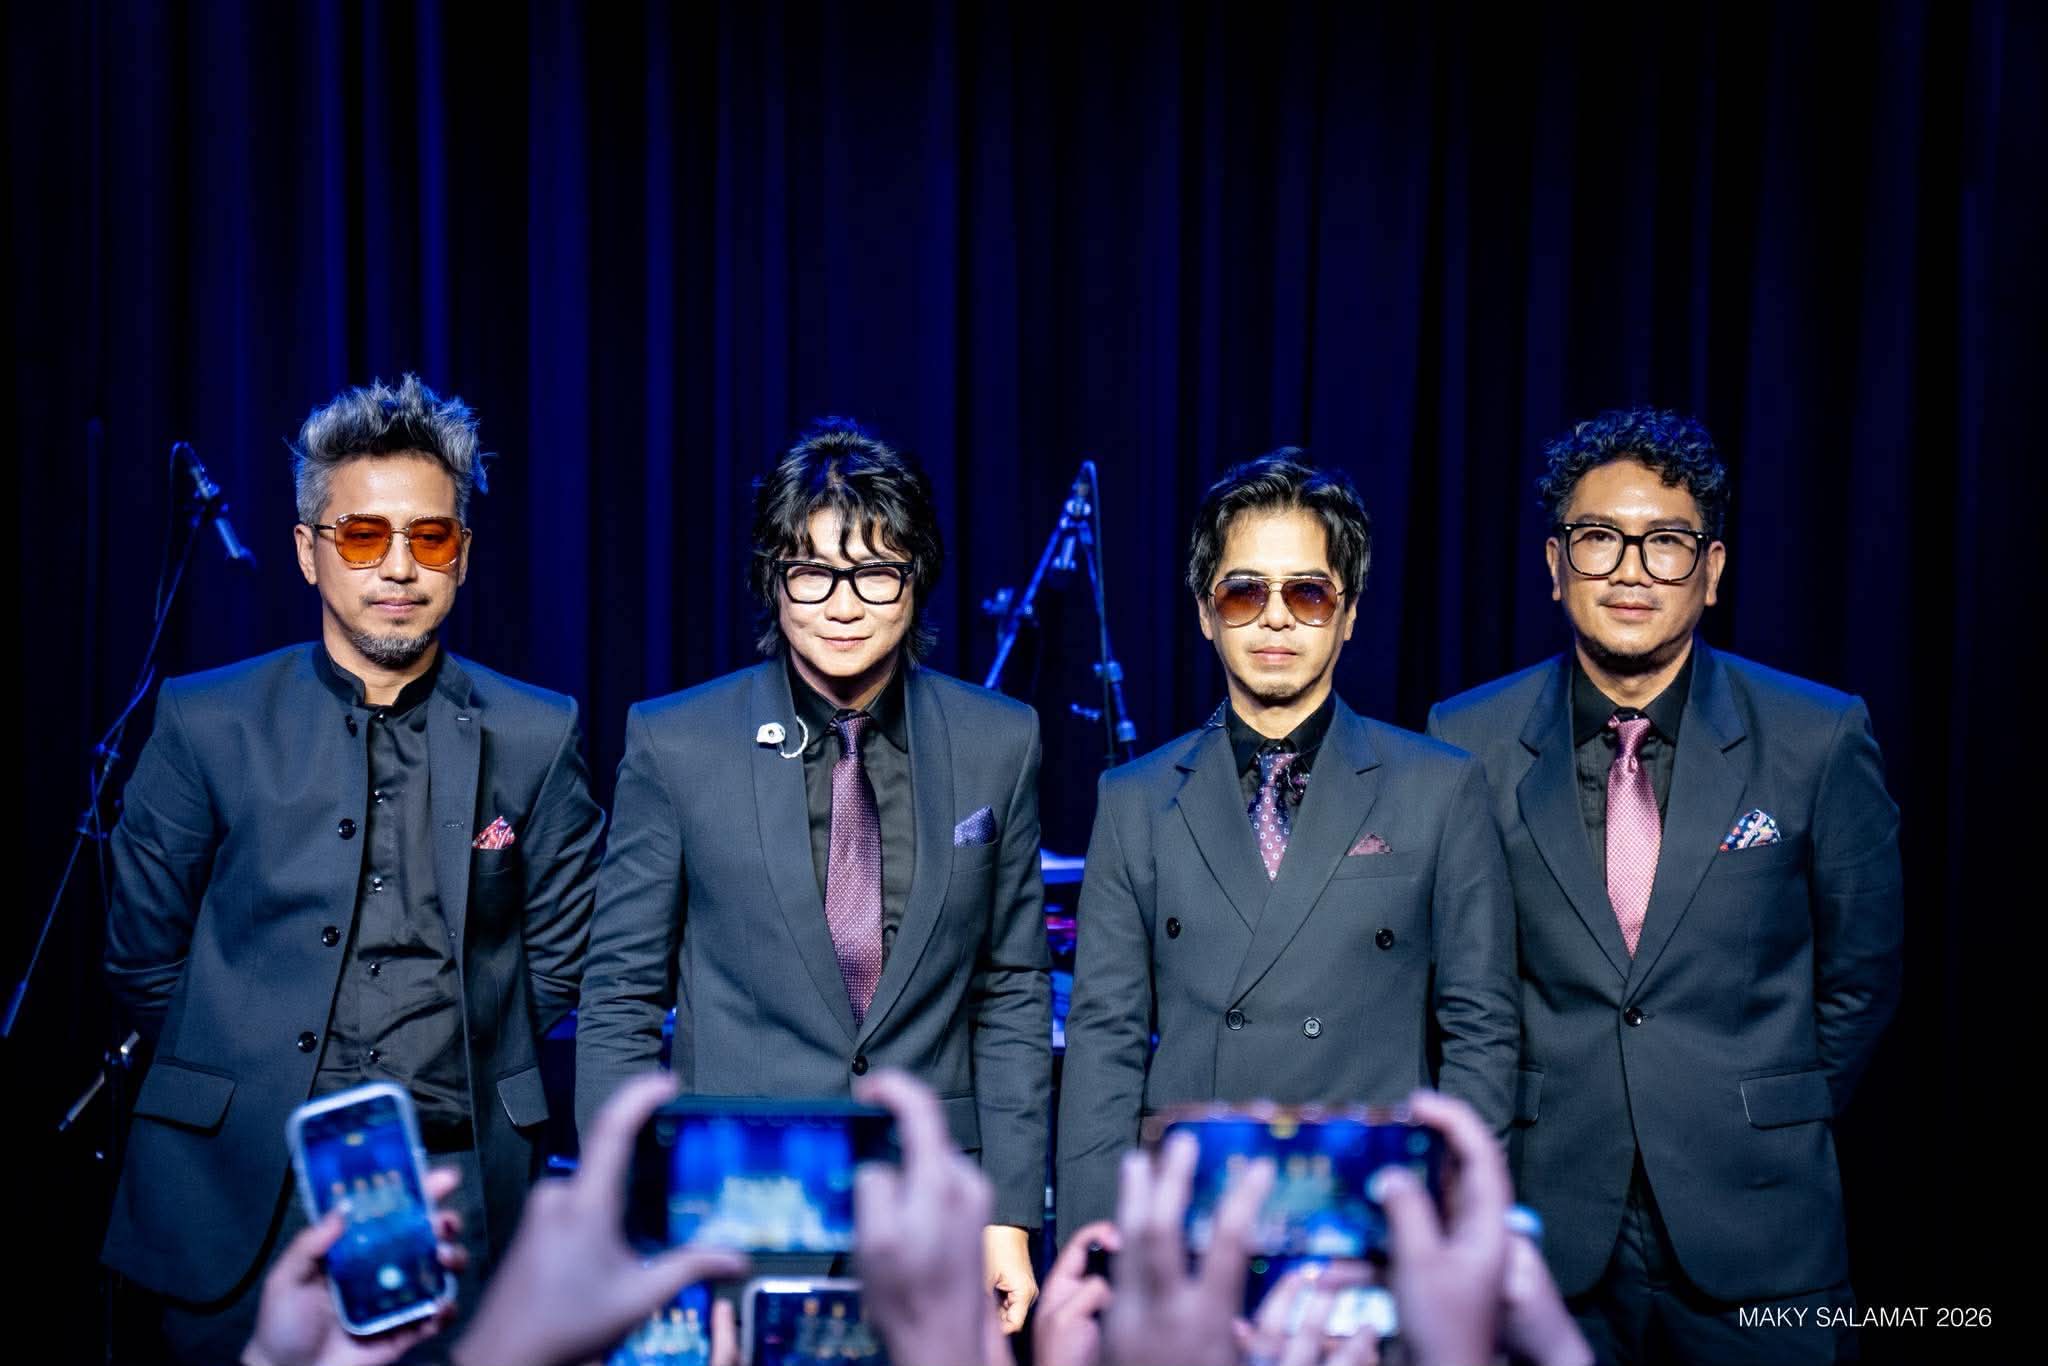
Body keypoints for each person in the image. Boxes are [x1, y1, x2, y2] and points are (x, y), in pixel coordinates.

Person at [103, 375, 605, 1361]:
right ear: (309, 550)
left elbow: (559, 957)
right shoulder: (206, 721)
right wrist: (251, 1069)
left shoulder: (538, 732)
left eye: (431, 537)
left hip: (458, 1180)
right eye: (364, 536)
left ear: (462, 552)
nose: (399, 567)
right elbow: (142, 959)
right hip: (239, 1186)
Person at [1427, 407, 1904, 1364]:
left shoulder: (1817, 735)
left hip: (1761, 1227)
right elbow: (1452, 985)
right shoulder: (1464, 740)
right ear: (1555, 564)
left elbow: (1862, 977)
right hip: (1543, 1225)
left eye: (1667, 543)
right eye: (1599, 538)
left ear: (1712, 570)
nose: (1631, 570)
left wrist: (1756, 1105)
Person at [575, 419, 1050, 1331]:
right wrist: (617, 1216)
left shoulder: (1001, 740)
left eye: (875, 572)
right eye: (813, 573)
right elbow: (622, 998)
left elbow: (1013, 991)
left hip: (933, 1216)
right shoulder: (676, 743)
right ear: (773, 578)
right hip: (733, 1215)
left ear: (916, 578)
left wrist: (1010, 1215)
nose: (843, 605)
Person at [1058, 452, 1519, 1236]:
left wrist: (1460, 1227)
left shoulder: (1439, 788)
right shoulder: (1135, 800)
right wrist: (1093, 1248)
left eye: (1307, 593)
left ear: (1349, 612)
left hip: (1373, 1214)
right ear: (1206, 612)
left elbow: (1480, 1034)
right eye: (1245, 592)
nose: (1276, 618)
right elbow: (1105, 1045)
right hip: (1193, 1218)